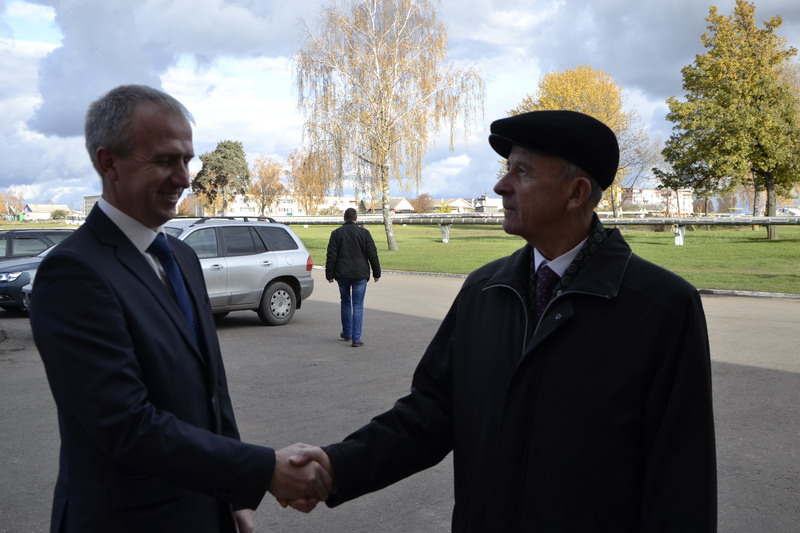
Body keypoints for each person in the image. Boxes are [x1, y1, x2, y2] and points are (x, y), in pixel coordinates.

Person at [295, 110, 717, 531]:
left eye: (522, 172)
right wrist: (336, 467)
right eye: (506, 169)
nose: (501, 185)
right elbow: (430, 414)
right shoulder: (484, 291)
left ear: (577, 192)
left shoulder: (661, 309)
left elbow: (682, 482)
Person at [29, 84, 332, 533]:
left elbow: (213, 393)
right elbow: (124, 424)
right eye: (166, 160)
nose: (185, 177)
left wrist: (231, 499)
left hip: (202, 508)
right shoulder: (73, 273)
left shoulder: (181, 256)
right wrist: (262, 469)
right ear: (108, 162)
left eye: (188, 159)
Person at [325, 207, 381, 347]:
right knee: (358, 306)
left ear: (344, 218)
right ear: (355, 218)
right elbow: (372, 254)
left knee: (345, 302)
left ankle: (347, 333)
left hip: (342, 274)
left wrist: (329, 274)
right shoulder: (364, 233)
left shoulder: (336, 233)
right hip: (360, 274)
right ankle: (356, 339)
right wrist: (376, 273)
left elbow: (331, 255)